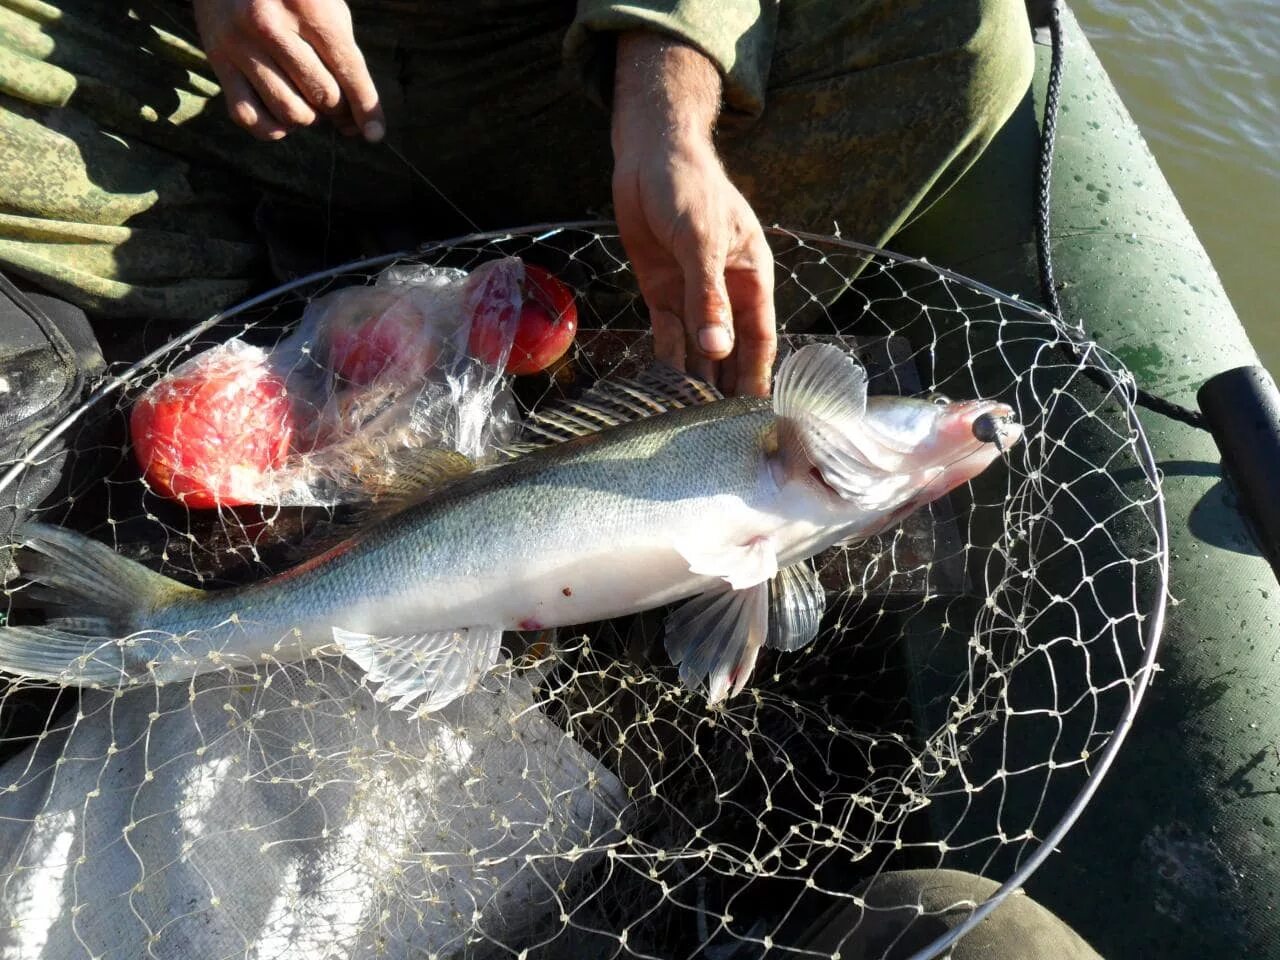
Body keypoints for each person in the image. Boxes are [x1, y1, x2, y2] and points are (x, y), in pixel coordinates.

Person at [0, 0, 1032, 397]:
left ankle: (618, 370)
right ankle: (236, 302)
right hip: (191, 63)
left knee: (956, 29)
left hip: (535, 62)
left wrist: (663, 97)